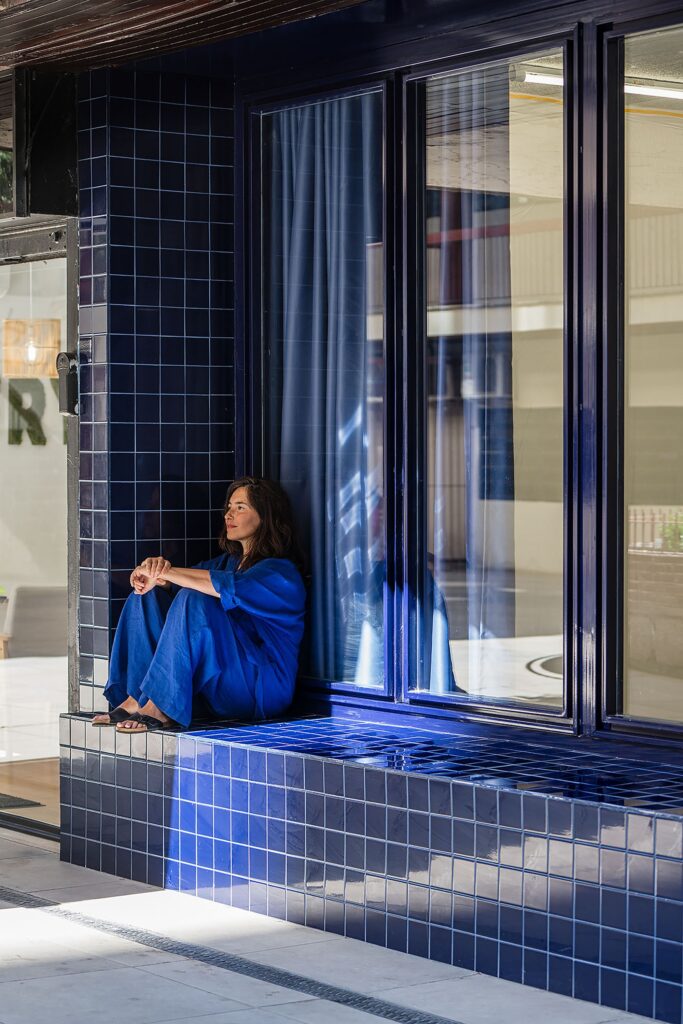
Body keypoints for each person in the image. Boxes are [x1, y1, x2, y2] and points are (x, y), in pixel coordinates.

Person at [91, 477, 306, 733]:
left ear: (266, 516)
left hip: (260, 689)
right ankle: (138, 698)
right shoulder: (228, 562)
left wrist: (165, 572)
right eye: (229, 507)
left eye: (240, 507)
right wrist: (154, 576)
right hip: (222, 686)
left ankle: (160, 707)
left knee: (193, 598)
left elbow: (219, 585)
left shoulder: (280, 574)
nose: (229, 514)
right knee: (147, 596)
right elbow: (181, 582)